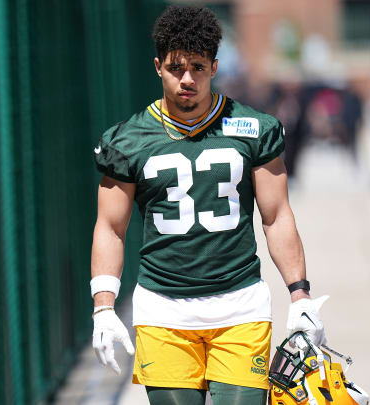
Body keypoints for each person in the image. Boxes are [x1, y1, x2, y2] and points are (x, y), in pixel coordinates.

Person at [89, 6, 328, 405]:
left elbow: (276, 216)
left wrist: (299, 294)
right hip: (163, 309)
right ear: (157, 67)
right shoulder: (126, 140)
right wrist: (103, 306)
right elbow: (111, 226)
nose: (187, 79)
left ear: (215, 66)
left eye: (198, 67)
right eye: (176, 67)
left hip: (240, 306)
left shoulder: (253, 129)